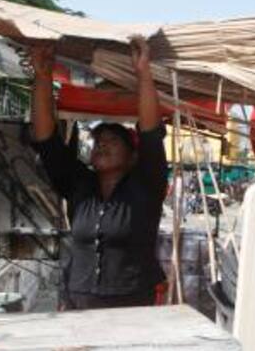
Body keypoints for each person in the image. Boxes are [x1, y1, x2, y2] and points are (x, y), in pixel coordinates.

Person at [29, 38, 168, 310]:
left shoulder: (145, 187)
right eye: (98, 140)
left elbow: (151, 134)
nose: (102, 144)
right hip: (78, 303)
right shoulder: (80, 186)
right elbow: (46, 139)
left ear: (133, 158)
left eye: (112, 141)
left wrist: (143, 74)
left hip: (132, 306)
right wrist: (43, 75)